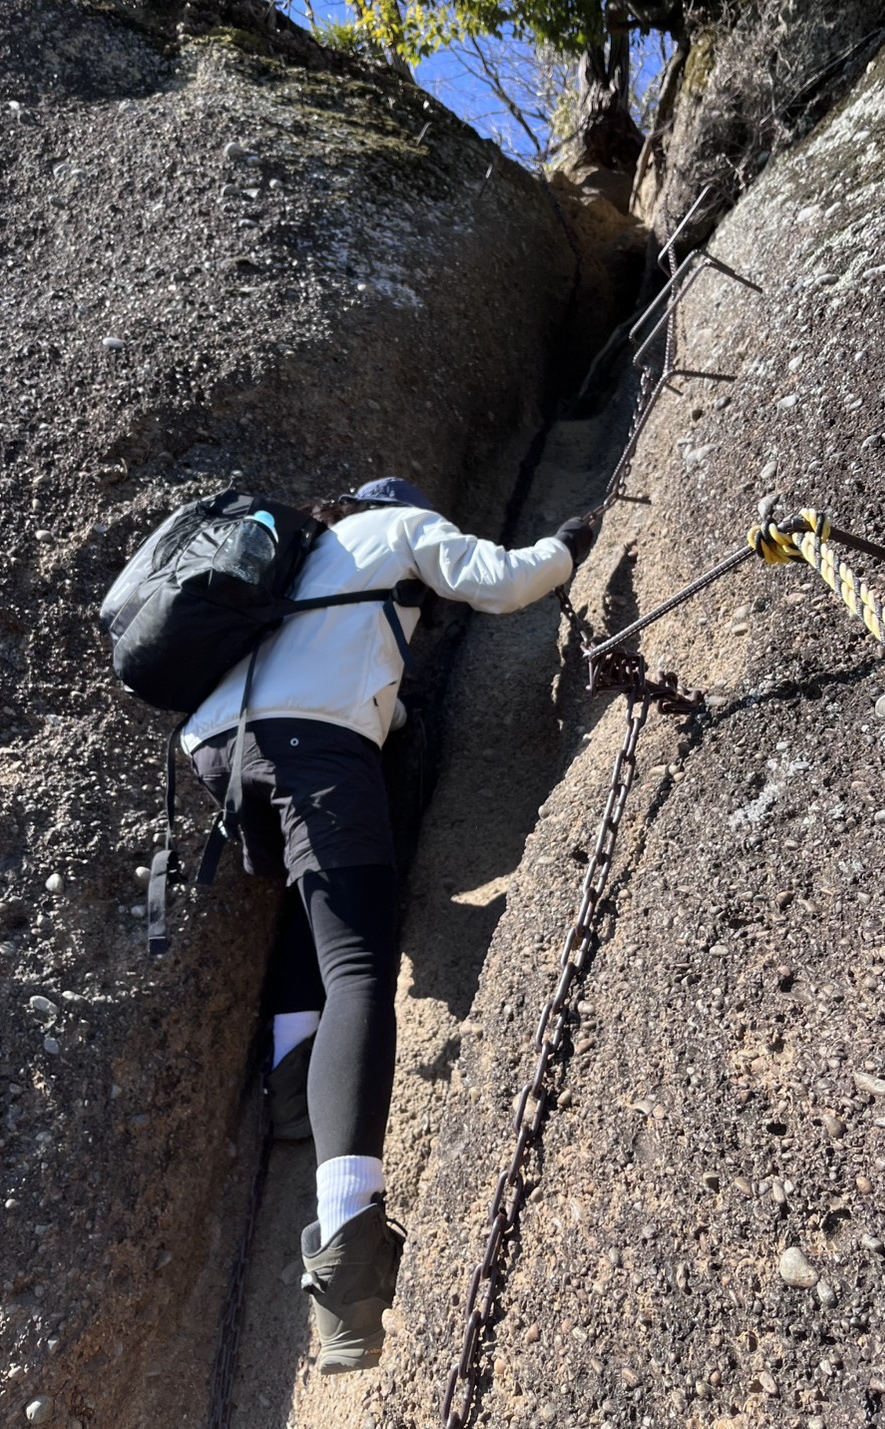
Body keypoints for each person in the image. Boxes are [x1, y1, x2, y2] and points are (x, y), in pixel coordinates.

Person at [179, 477, 593, 1375]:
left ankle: (293, 1085)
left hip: (223, 748)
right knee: (361, 965)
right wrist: (569, 545)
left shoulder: (298, 563)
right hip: (313, 746)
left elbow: (360, 689)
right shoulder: (401, 526)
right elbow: (503, 579)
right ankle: (348, 1261)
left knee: (312, 899)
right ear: (395, 504)